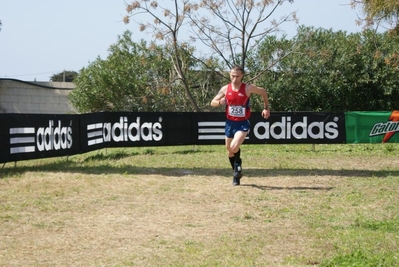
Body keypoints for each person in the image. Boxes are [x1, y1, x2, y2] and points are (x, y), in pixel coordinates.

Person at [211, 65, 270, 186]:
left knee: (234, 146)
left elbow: (263, 92)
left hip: (242, 123)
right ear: (229, 75)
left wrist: (266, 108)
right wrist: (219, 102)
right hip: (229, 123)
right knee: (229, 150)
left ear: (242, 76)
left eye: (237, 76)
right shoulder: (225, 89)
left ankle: (238, 164)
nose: (234, 78)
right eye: (232, 76)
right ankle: (236, 174)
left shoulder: (248, 88)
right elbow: (212, 103)